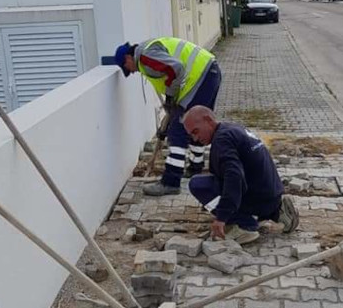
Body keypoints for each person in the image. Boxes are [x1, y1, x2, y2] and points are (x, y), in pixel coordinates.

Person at [114, 37, 222, 196]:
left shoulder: (145, 57)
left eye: (127, 68)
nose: (132, 71)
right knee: (196, 127)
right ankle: (195, 168)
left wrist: (171, 97)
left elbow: (176, 68)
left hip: (199, 78)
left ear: (127, 58)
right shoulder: (148, 51)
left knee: (178, 131)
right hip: (209, 72)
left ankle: (171, 182)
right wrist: (171, 106)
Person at [181, 106, 299, 244]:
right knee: (220, 182)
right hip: (271, 195)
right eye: (191, 135)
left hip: (258, 198)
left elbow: (234, 178)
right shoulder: (232, 128)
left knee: (198, 184)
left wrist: (222, 217)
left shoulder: (222, 141)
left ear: (208, 120)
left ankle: (245, 225)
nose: (195, 138)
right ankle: (278, 212)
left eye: (196, 131)